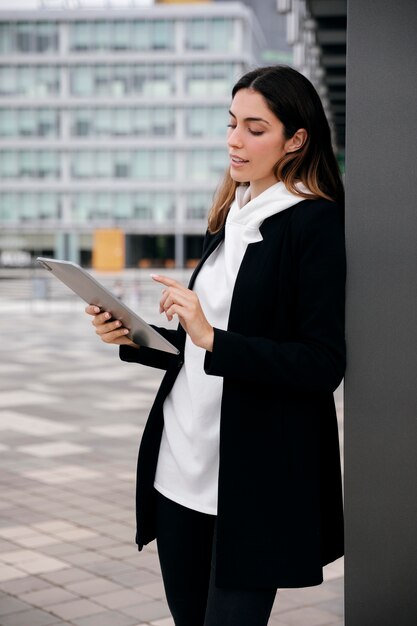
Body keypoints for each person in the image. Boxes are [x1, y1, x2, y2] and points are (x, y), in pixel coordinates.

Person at [85, 65, 346, 626]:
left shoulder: (314, 224)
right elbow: (202, 347)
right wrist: (132, 336)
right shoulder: (231, 215)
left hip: (252, 481)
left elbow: (322, 364)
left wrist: (210, 335)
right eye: (232, 123)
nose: (234, 139)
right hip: (181, 465)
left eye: (255, 128)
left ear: (295, 140)